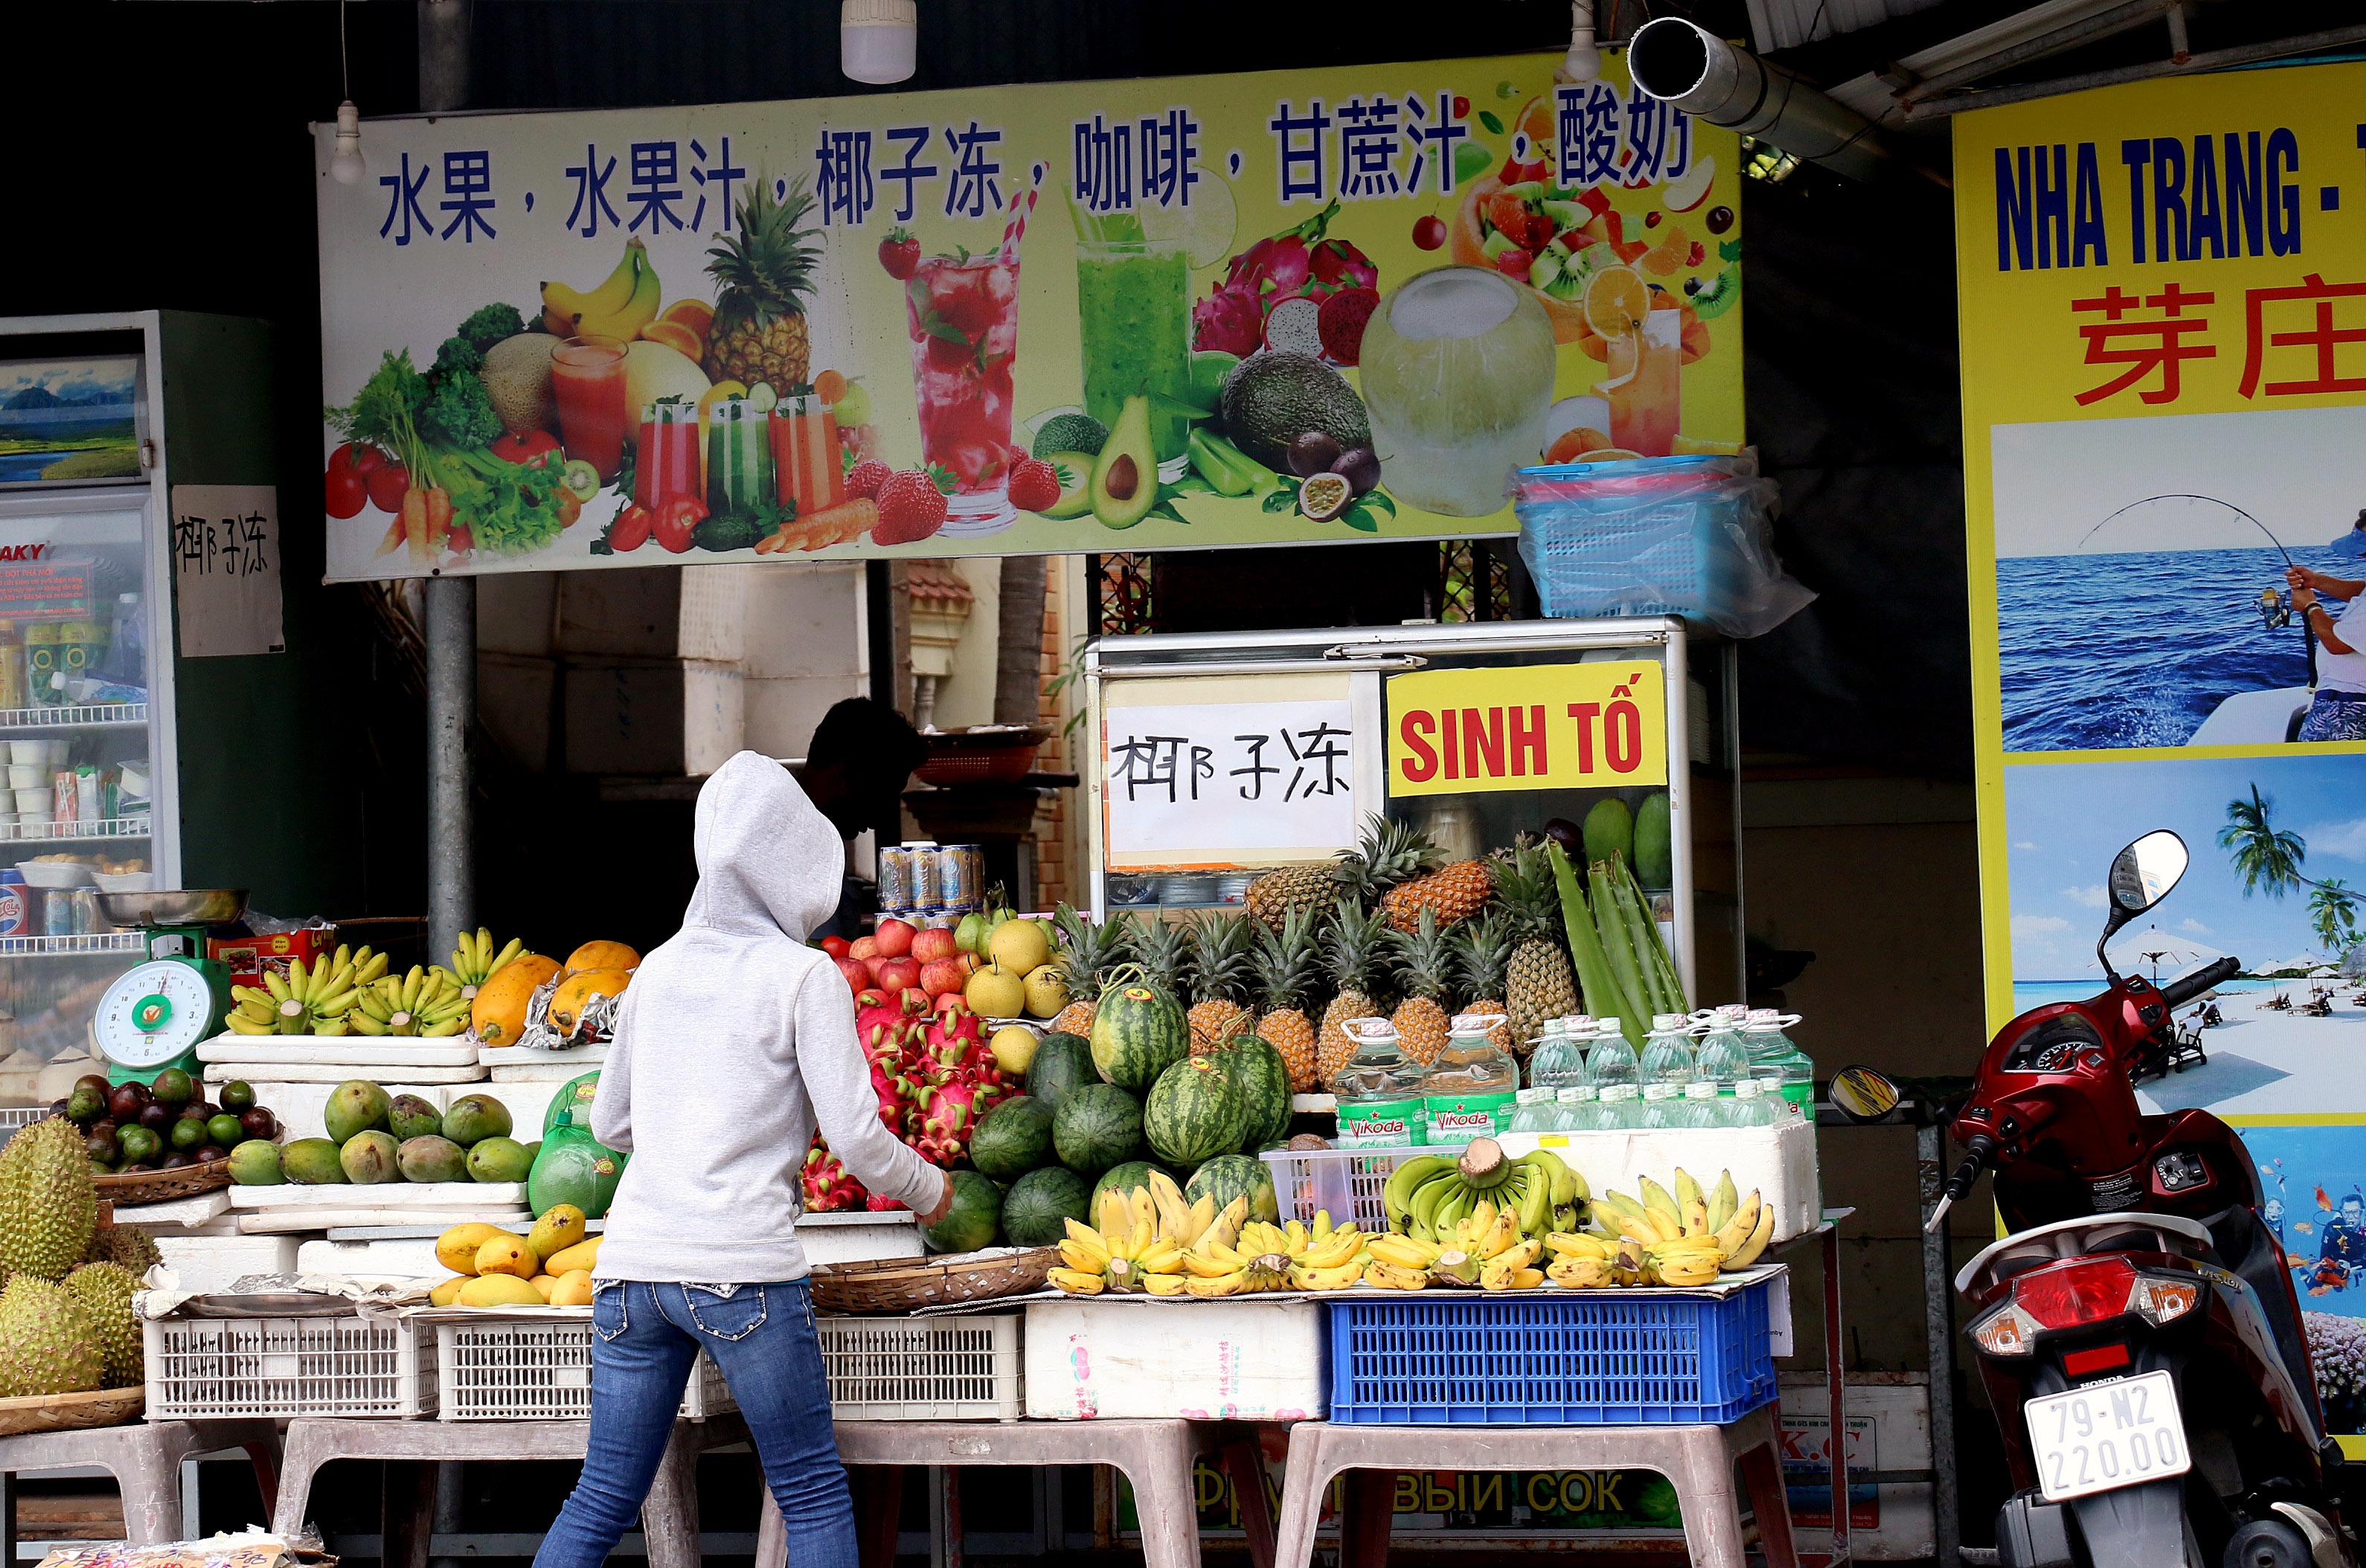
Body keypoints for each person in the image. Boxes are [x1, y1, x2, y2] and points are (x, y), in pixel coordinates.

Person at [533, 751, 955, 1568]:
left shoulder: (654, 970)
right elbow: (859, 1138)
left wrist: (687, 1119)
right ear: (799, 860)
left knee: (601, 1493)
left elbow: (613, 1122)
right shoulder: (802, 975)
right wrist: (932, 1190)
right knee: (810, 1489)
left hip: (634, 1271)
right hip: (743, 1272)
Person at [797, 697, 931, 940]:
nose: (877, 819)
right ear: (844, 775)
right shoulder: (794, 855)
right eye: (879, 795)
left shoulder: (822, 849)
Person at [2286, 566, 2366, 741]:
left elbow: (2337, 643)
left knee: (2313, 766)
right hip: (2345, 698)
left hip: (2352, 706)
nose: (2362, 558)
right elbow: (2363, 591)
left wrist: (2310, 606)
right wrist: (2316, 581)